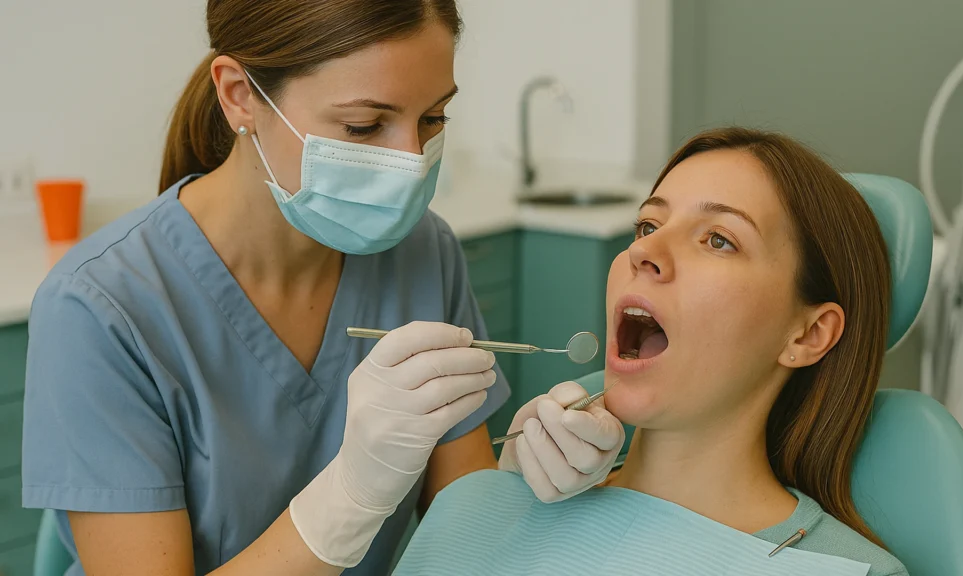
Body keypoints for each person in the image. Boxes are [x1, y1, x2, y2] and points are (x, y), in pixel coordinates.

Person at [20, 1, 623, 574]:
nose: (411, 160)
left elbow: (463, 526)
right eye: (364, 126)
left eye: (433, 118)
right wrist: (346, 500)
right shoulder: (100, 308)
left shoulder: (424, 251)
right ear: (239, 97)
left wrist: (520, 481)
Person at [394, 128, 910, 575]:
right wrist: (497, 502)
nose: (643, 251)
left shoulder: (845, 569)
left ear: (807, 335)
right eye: (648, 226)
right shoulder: (487, 504)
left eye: (718, 240)